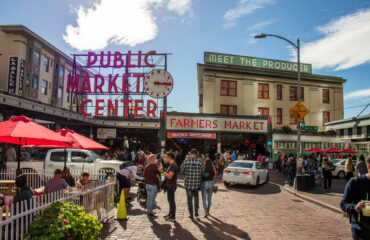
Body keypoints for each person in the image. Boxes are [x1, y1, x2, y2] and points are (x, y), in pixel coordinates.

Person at [340, 156, 370, 240]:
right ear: (369, 167)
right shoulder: (355, 182)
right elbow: (343, 204)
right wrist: (355, 207)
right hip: (361, 232)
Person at [181, 149, 203, 219]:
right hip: (196, 183)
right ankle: (196, 212)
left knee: (189, 199)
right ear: (196, 154)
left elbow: (181, 170)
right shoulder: (200, 161)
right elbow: (203, 171)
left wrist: (186, 174)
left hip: (188, 183)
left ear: (191, 153)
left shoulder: (186, 161)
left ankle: (191, 213)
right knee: (196, 198)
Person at [162, 152, 178, 222]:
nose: (166, 159)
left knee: (171, 201)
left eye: (166, 157)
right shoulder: (171, 164)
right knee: (170, 200)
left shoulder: (173, 165)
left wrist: (163, 172)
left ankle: (172, 215)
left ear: (169, 157)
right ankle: (170, 213)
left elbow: (170, 176)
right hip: (169, 185)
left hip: (171, 185)